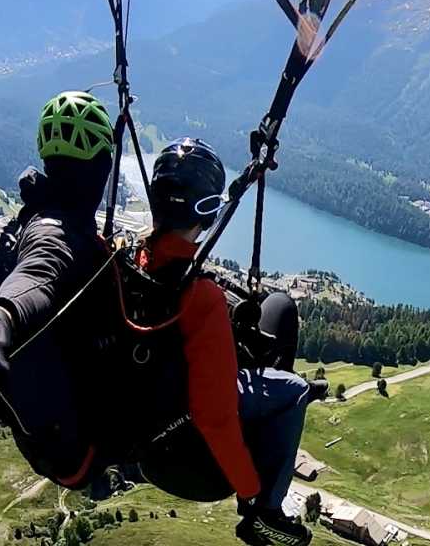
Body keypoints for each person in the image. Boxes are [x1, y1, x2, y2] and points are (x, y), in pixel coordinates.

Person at [135, 137, 320, 546]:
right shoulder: (200, 298)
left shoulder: (139, 260)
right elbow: (214, 418)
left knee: (279, 308)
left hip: (148, 435)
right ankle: (265, 513)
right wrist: (249, 488)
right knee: (293, 390)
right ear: (206, 209)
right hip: (193, 462)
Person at [0, 91, 119, 487]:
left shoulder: (45, 212)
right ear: (102, 168)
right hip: (77, 447)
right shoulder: (56, 229)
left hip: (51, 433)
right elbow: (40, 272)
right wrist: (0, 320)